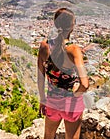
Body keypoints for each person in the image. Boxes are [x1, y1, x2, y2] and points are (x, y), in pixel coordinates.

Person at [37, 8, 89, 139]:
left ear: (55, 23)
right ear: (72, 26)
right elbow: (85, 84)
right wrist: (75, 93)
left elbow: (40, 77)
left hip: (52, 102)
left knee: (48, 136)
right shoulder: (74, 50)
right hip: (72, 104)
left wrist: (42, 99)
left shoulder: (44, 46)